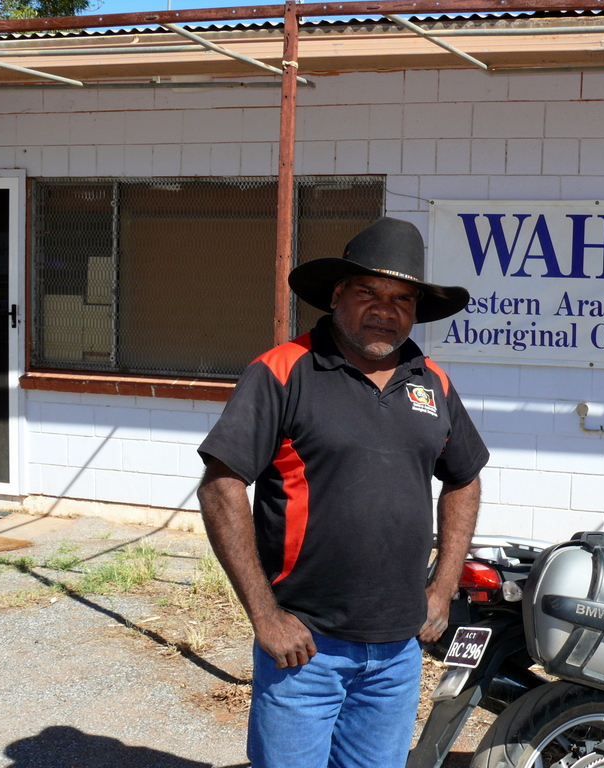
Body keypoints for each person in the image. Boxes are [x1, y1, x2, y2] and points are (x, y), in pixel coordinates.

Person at [196, 217, 489, 768]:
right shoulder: (283, 372)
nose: (386, 309)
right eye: (368, 292)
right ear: (336, 296)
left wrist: (442, 586)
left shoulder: (433, 383)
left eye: (402, 298)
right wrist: (264, 615)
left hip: (398, 652)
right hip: (306, 647)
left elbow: (465, 477)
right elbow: (221, 485)